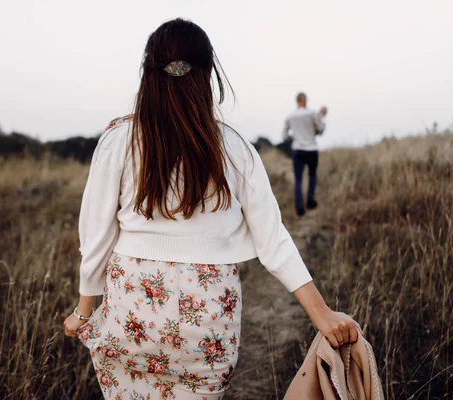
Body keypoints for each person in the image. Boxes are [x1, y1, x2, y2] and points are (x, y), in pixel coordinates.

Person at [64, 19, 360, 400]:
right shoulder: (235, 148)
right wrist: (322, 314)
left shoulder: (118, 139)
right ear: (208, 76)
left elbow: (96, 236)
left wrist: (84, 310)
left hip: (130, 314)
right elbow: (274, 241)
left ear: (147, 73)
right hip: (205, 324)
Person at [283, 94, 325, 216]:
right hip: (312, 148)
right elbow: (320, 129)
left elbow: (284, 136)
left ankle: (300, 208)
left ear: (297, 101)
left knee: (298, 179)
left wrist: (295, 137)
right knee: (312, 175)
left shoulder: (290, 116)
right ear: (304, 100)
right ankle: (310, 201)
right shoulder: (312, 113)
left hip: (298, 149)